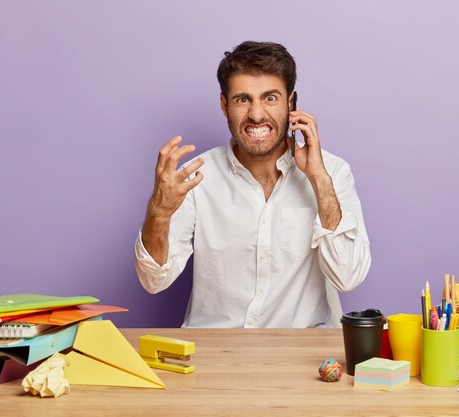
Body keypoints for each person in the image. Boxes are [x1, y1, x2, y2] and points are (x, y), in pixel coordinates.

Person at [135, 41, 371, 328]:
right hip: (215, 350)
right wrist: (159, 212)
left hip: (300, 354)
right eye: (242, 99)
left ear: (291, 102)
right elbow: (153, 280)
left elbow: (348, 277)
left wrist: (319, 180)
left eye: (270, 98)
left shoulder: (333, 172)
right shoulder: (195, 178)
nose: (256, 114)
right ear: (224, 105)